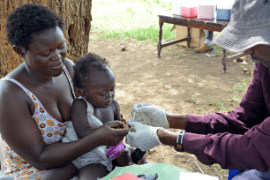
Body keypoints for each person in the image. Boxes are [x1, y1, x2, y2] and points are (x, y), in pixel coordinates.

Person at [126, 0, 270, 179]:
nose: (246, 49)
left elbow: (253, 148)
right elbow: (243, 119)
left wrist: (165, 137)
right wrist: (169, 120)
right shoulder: (265, 62)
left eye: (253, 39)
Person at [0, 3, 129, 180]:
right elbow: (40, 158)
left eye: (61, 46)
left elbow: (91, 107)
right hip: (36, 172)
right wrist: (97, 138)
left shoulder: (68, 69)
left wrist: (112, 122)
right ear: (20, 51)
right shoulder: (10, 94)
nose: (57, 57)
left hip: (80, 158)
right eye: (47, 53)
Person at [59, 53, 145, 180]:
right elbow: (82, 132)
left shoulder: (113, 105)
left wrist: (124, 128)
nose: (110, 95)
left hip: (101, 157)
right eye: (103, 93)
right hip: (81, 154)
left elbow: (118, 129)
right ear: (83, 93)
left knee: (131, 158)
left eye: (112, 89)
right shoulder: (81, 105)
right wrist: (104, 132)